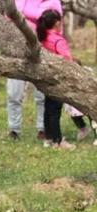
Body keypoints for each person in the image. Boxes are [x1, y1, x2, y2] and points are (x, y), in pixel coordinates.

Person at [7, 0, 62, 140]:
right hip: (18, 47)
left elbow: (49, 23)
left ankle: (42, 128)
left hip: (41, 50)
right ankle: (14, 129)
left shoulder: (52, 0)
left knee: (41, 94)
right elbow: (11, 14)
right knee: (14, 92)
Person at [36, 9, 76, 150]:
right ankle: (58, 141)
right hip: (57, 79)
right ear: (57, 23)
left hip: (45, 78)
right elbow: (67, 61)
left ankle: (48, 138)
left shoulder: (42, 38)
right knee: (55, 111)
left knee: (48, 109)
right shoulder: (58, 40)